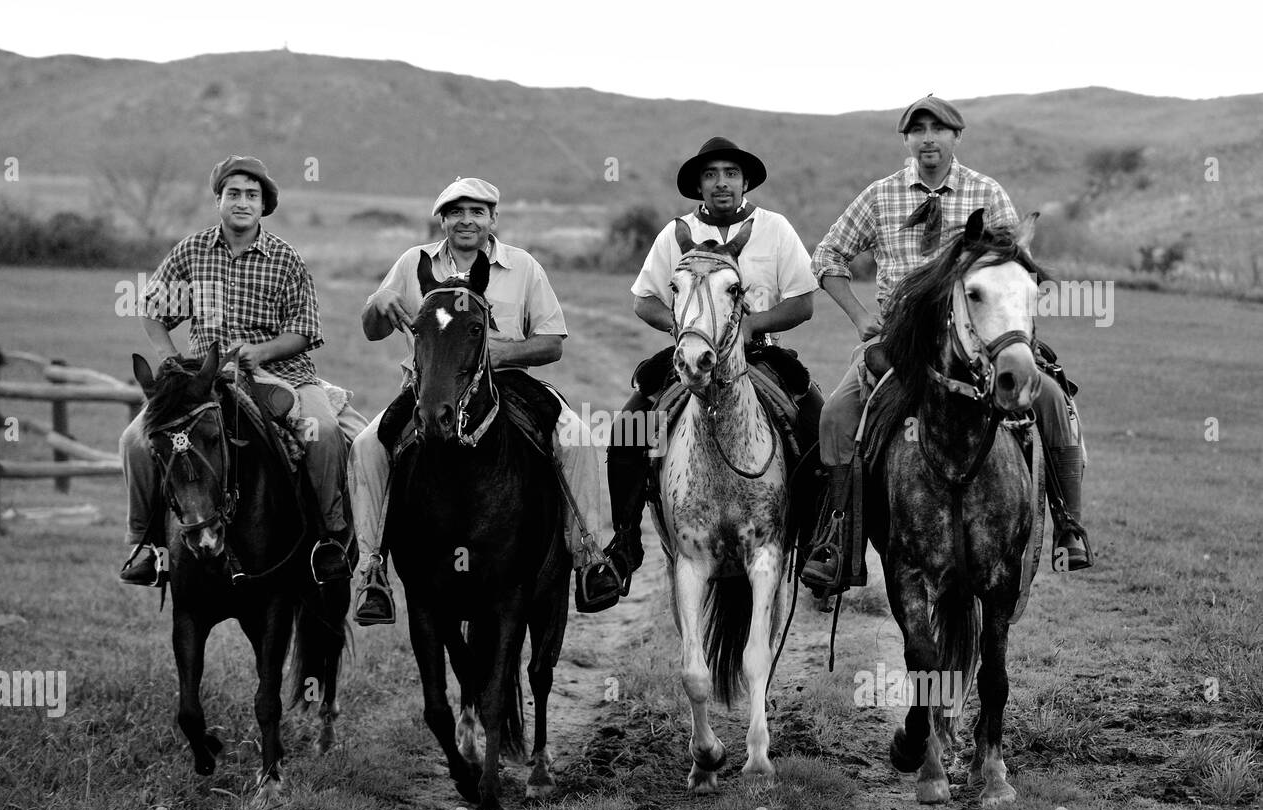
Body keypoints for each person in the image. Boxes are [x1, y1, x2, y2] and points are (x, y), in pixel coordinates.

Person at [803, 95, 1092, 597]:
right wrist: (860, 317)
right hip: (901, 343)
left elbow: (1014, 264)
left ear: (956, 138)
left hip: (978, 339)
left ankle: (1069, 527)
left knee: (1050, 398)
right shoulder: (881, 196)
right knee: (835, 414)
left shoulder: (986, 192)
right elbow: (826, 255)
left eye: (939, 129)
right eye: (918, 130)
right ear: (907, 140)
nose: (928, 138)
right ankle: (838, 545)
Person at [349, 176, 622, 624]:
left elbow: (552, 342)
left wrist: (502, 352)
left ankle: (590, 556)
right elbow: (373, 329)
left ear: (493, 219)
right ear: (442, 221)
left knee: (579, 440)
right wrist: (378, 300)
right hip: (431, 387)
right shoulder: (412, 263)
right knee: (366, 446)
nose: (466, 220)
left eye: (477, 211)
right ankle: (371, 570)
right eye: (456, 212)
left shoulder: (523, 267)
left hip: (510, 384)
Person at [118, 155, 366, 586]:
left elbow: (304, 331)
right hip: (204, 380)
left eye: (252, 195)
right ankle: (148, 545)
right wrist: (167, 357)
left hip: (283, 375)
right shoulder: (192, 251)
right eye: (233, 193)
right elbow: (151, 309)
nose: (242, 202)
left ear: (263, 205)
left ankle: (330, 536)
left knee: (322, 432)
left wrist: (261, 351)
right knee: (135, 440)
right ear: (219, 200)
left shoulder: (285, 259)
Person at [605, 137, 822, 593]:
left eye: (729, 174)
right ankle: (624, 545)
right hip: (693, 350)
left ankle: (821, 545)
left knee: (818, 420)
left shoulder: (775, 229)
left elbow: (803, 302)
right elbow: (645, 301)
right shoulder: (674, 233)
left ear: (745, 182)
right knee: (627, 428)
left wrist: (749, 326)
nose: (720, 183)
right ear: (698, 185)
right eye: (710, 175)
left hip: (758, 350)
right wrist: (687, 330)